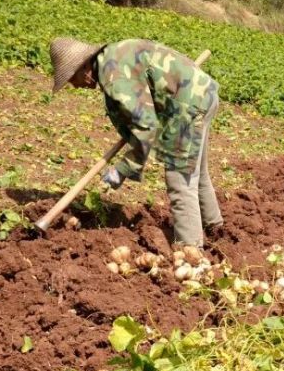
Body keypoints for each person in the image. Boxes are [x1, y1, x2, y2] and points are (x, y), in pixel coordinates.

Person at [49, 37, 223, 247]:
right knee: (196, 172)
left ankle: (190, 251)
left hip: (188, 105)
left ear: (83, 67)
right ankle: (214, 226)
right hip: (200, 94)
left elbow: (145, 126)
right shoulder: (112, 59)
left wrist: (122, 169)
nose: (74, 86)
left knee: (179, 177)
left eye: (71, 78)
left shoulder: (114, 76)